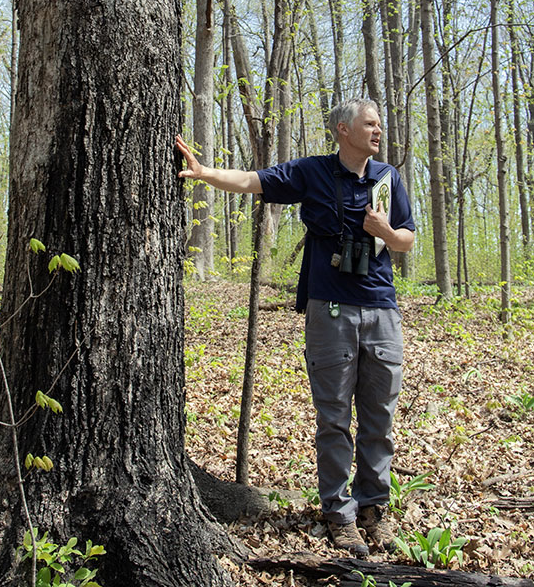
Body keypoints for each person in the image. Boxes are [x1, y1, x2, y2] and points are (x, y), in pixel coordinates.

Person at [175, 98, 415, 557]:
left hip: (382, 310)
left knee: (379, 416)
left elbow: (405, 239)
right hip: (330, 311)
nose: (378, 131)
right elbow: (254, 181)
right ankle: (338, 513)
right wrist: (205, 174)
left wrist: (382, 230)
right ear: (343, 129)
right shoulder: (313, 172)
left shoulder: (388, 178)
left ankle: (374, 510)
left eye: (379, 124)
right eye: (370, 124)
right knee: (333, 417)